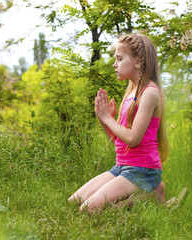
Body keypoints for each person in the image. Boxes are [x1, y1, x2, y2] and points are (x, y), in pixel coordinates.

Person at [68, 33, 170, 212]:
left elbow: (133, 139)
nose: (115, 64)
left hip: (142, 170)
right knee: (73, 202)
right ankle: (151, 193)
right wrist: (104, 119)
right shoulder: (131, 92)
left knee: (88, 210)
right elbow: (120, 142)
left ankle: (152, 194)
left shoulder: (150, 93)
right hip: (122, 167)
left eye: (119, 58)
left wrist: (109, 119)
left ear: (138, 61)